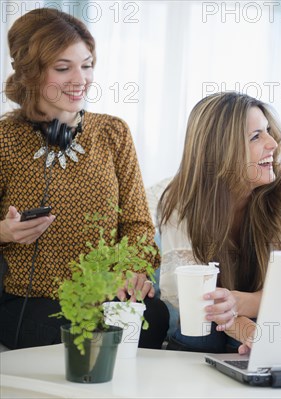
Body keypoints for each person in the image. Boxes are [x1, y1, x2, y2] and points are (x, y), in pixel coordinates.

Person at [0, 8, 169, 349]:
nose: (81, 79)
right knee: (79, 336)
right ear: (32, 73)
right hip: (31, 302)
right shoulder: (4, 139)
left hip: (106, 297)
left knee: (156, 317)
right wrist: (5, 232)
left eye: (87, 64)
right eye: (63, 68)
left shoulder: (113, 132)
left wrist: (131, 272)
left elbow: (137, 224)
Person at [158, 92, 281, 354]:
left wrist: (242, 305)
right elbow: (188, 294)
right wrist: (247, 331)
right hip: (206, 321)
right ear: (221, 151)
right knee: (203, 333)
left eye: (267, 131)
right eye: (256, 136)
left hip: (268, 314)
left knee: (261, 330)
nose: (273, 144)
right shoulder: (181, 201)